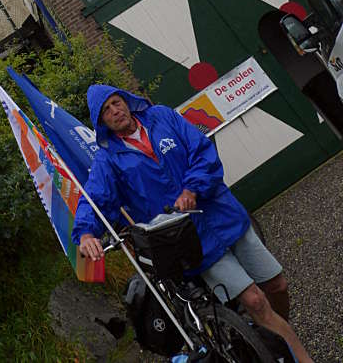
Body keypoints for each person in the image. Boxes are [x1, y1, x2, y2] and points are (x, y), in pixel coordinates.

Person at [71, 85, 313, 363]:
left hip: (224, 215)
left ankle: (274, 340)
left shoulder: (162, 117)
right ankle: (298, 355)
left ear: (125, 102)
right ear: (101, 122)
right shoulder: (108, 159)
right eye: (106, 111)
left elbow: (202, 151)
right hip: (192, 241)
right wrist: (87, 232)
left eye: (116, 103)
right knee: (255, 301)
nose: (114, 111)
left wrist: (192, 189)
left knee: (277, 285)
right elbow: (95, 198)